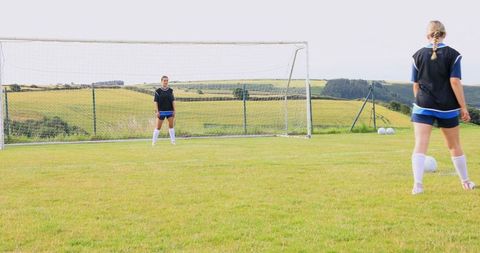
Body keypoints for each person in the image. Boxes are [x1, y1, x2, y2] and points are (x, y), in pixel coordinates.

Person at [410, 20, 475, 195]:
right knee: (454, 146)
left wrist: (422, 101)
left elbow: (415, 85)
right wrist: (463, 107)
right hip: (446, 108)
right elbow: (454, 82)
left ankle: (418, 185)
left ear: (427, 36)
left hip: (422, 106)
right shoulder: (453, 55)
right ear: (444, 34)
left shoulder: (417, 55)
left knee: (420, 145)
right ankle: (466, 182)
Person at [152, 75, 176, 145]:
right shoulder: (157, 91)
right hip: (161, 112)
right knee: (158, 127)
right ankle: (153, 142)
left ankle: (173, 141)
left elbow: (173, 101)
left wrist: (174, 110)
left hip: (170, 111)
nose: (166, 82)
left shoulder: (170, 91)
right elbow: (155, 102)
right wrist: (157, 111)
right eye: (164, 81)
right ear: (161, 81)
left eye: (167, 81)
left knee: (171, 126)